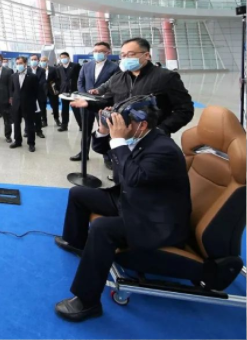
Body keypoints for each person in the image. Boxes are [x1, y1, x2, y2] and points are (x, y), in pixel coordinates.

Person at [54, 99, 191, 322]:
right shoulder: (137, 136)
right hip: (132, 200)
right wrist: (104, 130)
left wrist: (117, 140)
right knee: (79, 194)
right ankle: (77, 242)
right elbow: (102, 149)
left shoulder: (164, 149)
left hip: (154, 219)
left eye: (120, 123)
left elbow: (134, 177)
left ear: (142, 125)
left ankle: (87, 302)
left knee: (102, 228)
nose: (116, 127)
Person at [72, 37, 194, 137]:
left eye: (131, 54)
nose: (125, 58)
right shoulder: (117, 78)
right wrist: (89, 104)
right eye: (123, 55)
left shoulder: (166, 77)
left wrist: (162, 129)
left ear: (146, 55)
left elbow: (185, 109)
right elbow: (108, 101)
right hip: (121, 135)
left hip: (152, 137)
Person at [71, 42, 120, 167]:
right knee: (85, 129)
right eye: (95, 51)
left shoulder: (114, 67)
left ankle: (107, 156)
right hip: (86, 103)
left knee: (105, 130)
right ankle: (83, 153)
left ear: (108, 53)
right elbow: (80, 82)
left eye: (101, 51)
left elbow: (113, 86)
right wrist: (85, 96)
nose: (97, 53)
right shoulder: (86, 65)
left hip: (103, 104)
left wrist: (102, 97)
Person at [10, 57, 38, 152]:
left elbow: (36, 91)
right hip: (16, 104)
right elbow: (12, 90)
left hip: (29, 104)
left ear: (25, 63)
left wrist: (32, 101)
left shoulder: (33, 76)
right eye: (17, 63)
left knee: (30, 124)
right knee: (16, 123)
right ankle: (17, 141)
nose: (19, 65)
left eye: (20, 63)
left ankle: (31, 143)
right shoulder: (13, 76)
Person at [57, 52, 82, 132]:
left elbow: (80, 77)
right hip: (64, 92)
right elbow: (59, 80)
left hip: (74, 91)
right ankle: (64, 126)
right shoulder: (59, 68)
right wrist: (59, 90)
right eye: (61, 58)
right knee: (64, 110)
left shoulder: (75, 66)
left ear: (68, 57)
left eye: (64, 57)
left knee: (76, 109)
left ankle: (81, 125)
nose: (63, 59)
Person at [27, 54, 46, 139]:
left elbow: (42, 82)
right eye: (32, 59)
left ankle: (39, 131)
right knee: (28, 114)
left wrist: (33, 86)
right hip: (28, 95)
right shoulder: (27, 70)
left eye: (35, 59)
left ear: (38, 61)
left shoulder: (42, 70)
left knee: (38, 114)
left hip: (39, 94)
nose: (33, 61)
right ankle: (28, 130)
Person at [39, 56, 61, 127]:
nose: (43, 62)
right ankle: (44, 121)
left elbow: (57, 79)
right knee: (42, 106)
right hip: (41, 90)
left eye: (44, 60)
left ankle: (57, 119)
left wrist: (57, 89)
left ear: (47, 61)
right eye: (41, 60)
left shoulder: (53, 69)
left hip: (52, 89)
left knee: (55, 105)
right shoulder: (38, 70)